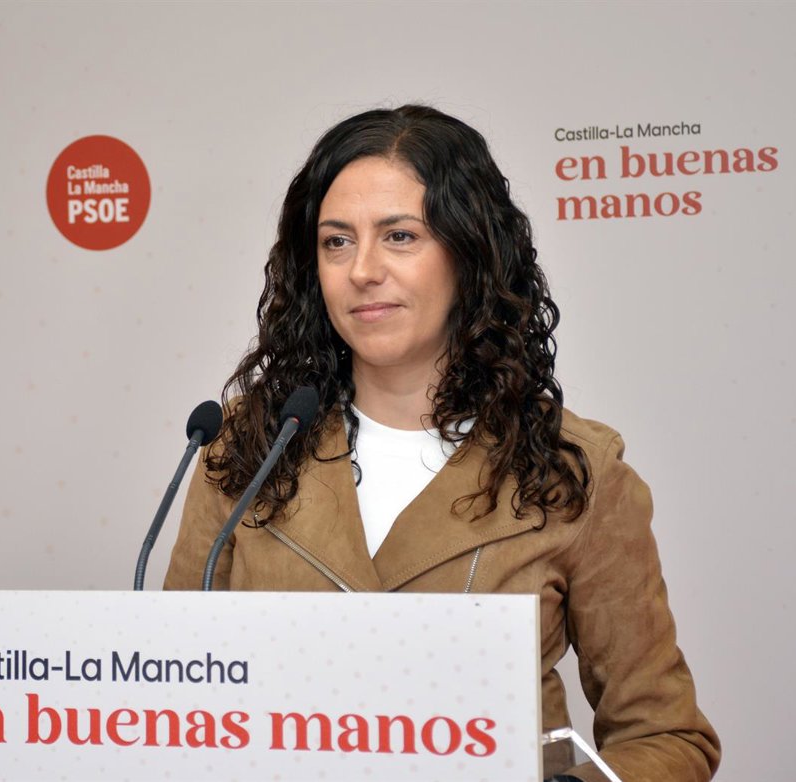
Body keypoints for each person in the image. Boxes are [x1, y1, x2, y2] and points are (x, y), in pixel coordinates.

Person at [163, 105, 719, 782]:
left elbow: (666, 738)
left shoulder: (573, 469)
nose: (362, 270)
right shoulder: (248, 446)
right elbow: (173, 698)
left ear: (469, 254)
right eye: (336, 242)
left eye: (399, 236)